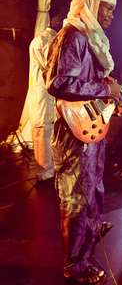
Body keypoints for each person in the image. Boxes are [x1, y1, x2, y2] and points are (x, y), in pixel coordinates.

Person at [44, 0, 122, 285]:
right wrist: (103, 88)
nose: (112, 15)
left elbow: (95, 90)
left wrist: (114, 91)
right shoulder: (72, 36)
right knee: (76, 198)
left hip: (89, 134)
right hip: (74, 136)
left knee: (93, 188)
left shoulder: (91, 38)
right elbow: (57, 83)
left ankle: (93, 226)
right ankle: (75, 264)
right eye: (108, 8)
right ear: (90, 5)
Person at [28, 10, 65, 181]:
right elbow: (51, 68)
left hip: (42, 95)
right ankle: (46, 173)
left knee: (46, 132)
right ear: (59, 21)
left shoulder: (42, 38)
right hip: (45, 95)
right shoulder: (48, 39)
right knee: (44, 133)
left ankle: (49, 170)